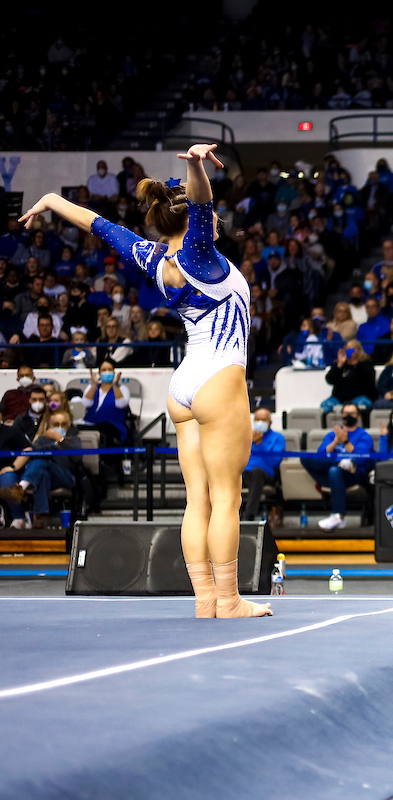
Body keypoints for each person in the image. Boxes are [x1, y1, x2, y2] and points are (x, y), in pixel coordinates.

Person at [20, 143, 270, 617]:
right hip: (219, 379)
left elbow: (98, 225)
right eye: (206, 218)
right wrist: (195, 164)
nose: (211, 221)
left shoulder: (151, 256)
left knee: (197, 500)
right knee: (226, 498)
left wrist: (52, 200)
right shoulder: (199, 255)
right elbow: (201, 203)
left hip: (184, 385)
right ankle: (230, 600)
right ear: (200, 225)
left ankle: (204, 601)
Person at [303, 403, 374, 531]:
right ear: (341, 416)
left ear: (358, 417)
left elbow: (361, 458)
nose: (348, 416)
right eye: (346, 413)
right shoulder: (332, 435)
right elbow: (320, 456)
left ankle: (338, 515)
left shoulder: (364, 436)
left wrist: (346, 441)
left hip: (355, 474)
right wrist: (336, 441)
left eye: (352, 413)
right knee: (305, 457)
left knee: (336, 469)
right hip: (333, 473)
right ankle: (342, 463)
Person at [16, 406, 82, 528]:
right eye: (56, 424)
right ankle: (41, 517)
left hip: (65, 477)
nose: (60, 427)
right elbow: (33, 456)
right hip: (46, 477)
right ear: (50, 426)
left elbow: (77, 459)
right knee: (43, 473)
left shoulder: (73, 440)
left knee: (44, 462)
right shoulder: (42, 440)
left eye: (63, 424)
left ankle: (21, 487)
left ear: (68, 426)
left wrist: (60, 440)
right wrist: (53, 444)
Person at [242, 408, 284, 521]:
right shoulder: (246, 437)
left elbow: (274, 461)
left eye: (263, 419)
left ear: (270, 422)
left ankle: (248, 516)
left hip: (265, 474)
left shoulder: (278, 438)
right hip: (245, 473)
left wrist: (259, 443)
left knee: (257, 472)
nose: (260, 422)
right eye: (257, 419)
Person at [80, 362, 129, 444]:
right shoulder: (91, 387)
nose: (107, 372)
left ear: (114, 372)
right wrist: (94, 385)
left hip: (113, 426)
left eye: (110, 369)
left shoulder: (122, 389)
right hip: (91, 424)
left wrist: (115, 386)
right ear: (99, 373)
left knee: (105, 428)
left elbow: (121, 405)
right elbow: (86, 403)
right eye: (104, 370)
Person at [322, 340, 376, 412]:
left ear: (358, 351)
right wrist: (339, 365)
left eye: (351, 348)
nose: (349, 350)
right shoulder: (339, 366)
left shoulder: (365, 364)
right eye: (347, 348)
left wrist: (355, 364)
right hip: (339, 399)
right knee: (326, 404)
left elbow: (368, 379)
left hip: (359, 397)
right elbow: (329, 380)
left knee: (362, 404)